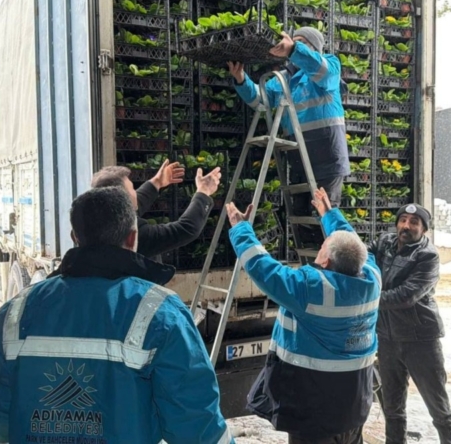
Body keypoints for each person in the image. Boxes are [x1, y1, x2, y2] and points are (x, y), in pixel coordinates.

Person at [0, 186, 233, 444]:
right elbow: (198, 429)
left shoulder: (15, 312)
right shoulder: (161, 314)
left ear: (74, 236)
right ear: (132, 238)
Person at [225, 188, 381, 443]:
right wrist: (329, 214)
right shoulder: (372, 276)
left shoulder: (312, 290)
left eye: (322, 248)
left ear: (327, 261)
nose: (320, 249)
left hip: (314, 410)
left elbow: (263, 269)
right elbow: (352, 242)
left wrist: (240, 228)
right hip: (354, 404)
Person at [227, 27, 349, 244]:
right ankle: (314, 267)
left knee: (326, 215)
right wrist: (241, 79)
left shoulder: (329, 65)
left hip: (327, 156)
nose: (296, 45)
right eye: (295, 41)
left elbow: (322, 71)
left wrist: (294, 49)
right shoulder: (284, 79)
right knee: (301, 218)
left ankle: (333, 269)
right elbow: (260, 101)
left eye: (303, 43)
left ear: (314, 49)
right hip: (299, 155)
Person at [369, 203, 451, 444]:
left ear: (424, 229)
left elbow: (405, 296)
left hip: (420, 340)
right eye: (403, 220)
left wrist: (366, 297)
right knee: (392, 407)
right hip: (387, 338)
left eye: (414, 222)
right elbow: (362, 254)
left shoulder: (427, 256)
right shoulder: (385, 243)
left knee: (438, 408)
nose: (406, 226)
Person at [91, 160, 221, 260]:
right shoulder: (134, 234)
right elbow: (186, 229)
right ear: (123, 197)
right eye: (132, 188)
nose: (135, 192)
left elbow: (137, 202)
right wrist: (204, 191)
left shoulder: (103, 219)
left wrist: (157, 182)